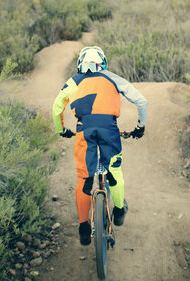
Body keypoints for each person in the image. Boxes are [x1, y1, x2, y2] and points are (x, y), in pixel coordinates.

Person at [52, 46, 148, 246]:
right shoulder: (111, 77)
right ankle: (119, 211)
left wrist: (62, 129)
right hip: (109, 130)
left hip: (83, 131)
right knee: (114, 171)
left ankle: (84, 227)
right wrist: (140, 126)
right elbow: (141, 101)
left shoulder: (74, 81)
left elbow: (56, 106)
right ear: (102, 63)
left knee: (84, 179)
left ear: (81, 63)